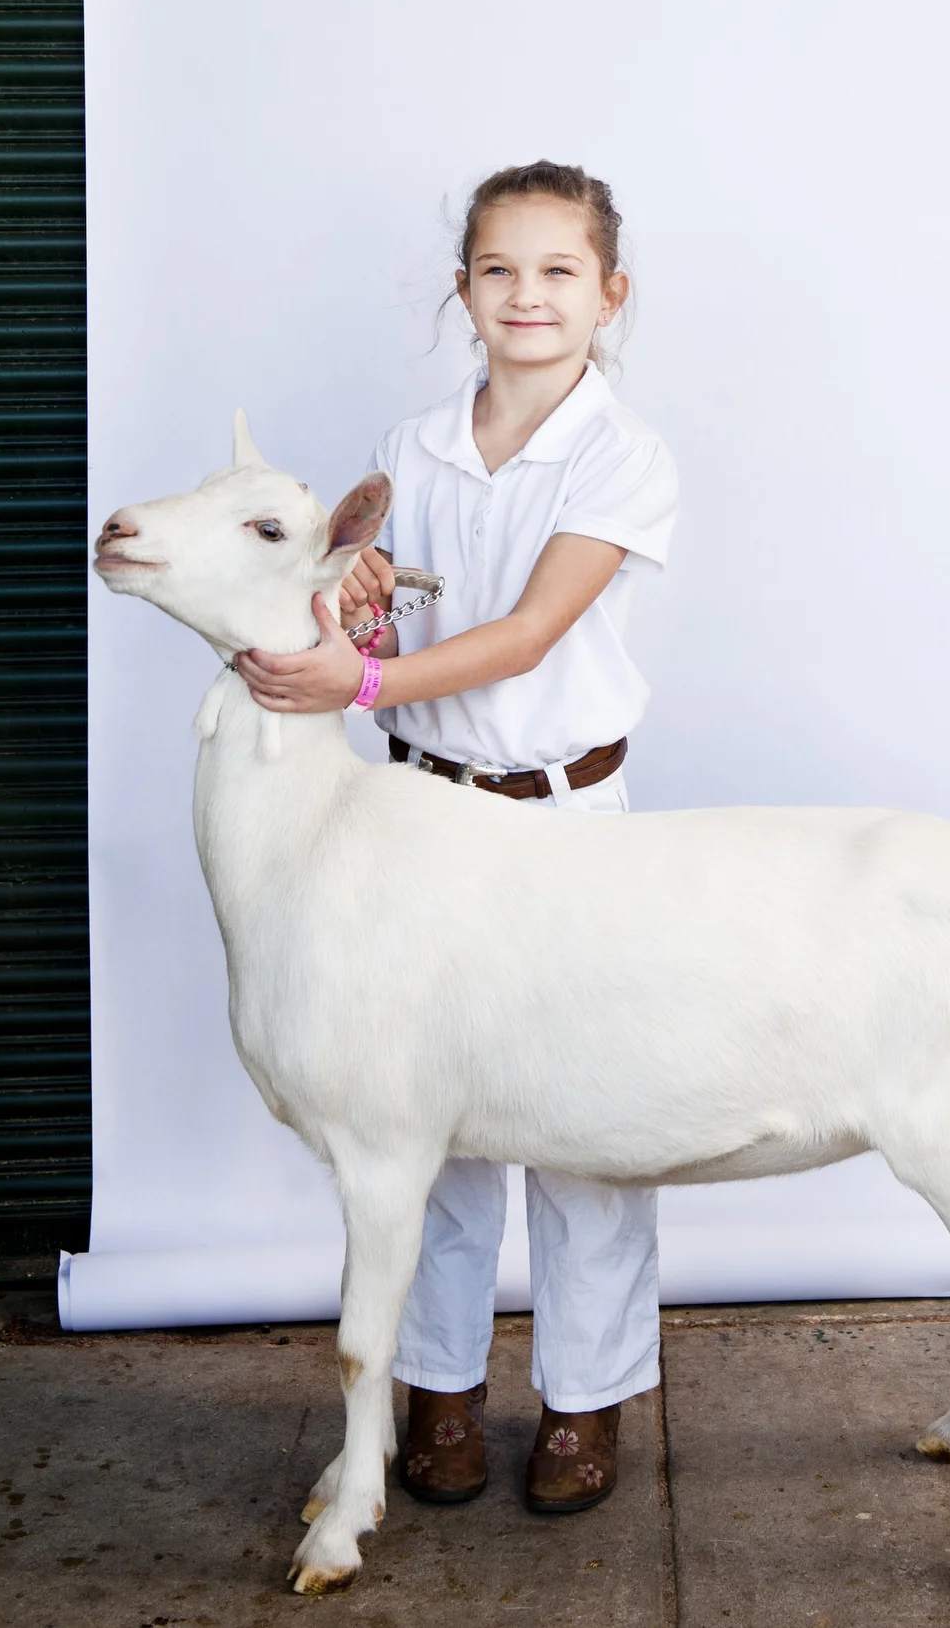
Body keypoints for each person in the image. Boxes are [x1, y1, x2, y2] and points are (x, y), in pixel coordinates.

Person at [236, 159, 678, 1517]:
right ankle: (437, 1389)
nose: (526, 294)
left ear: (609, 293)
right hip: (418, 822)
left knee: (589, 1130)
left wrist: (359, 679)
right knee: (419, 1130)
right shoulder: (415, 444)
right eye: (499, 270)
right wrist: (357, 604)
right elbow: (388, 619)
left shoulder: (621, 454)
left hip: (565, 827)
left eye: (558, 271)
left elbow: (530, 633)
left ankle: (585, 1402)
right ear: (464, 289)